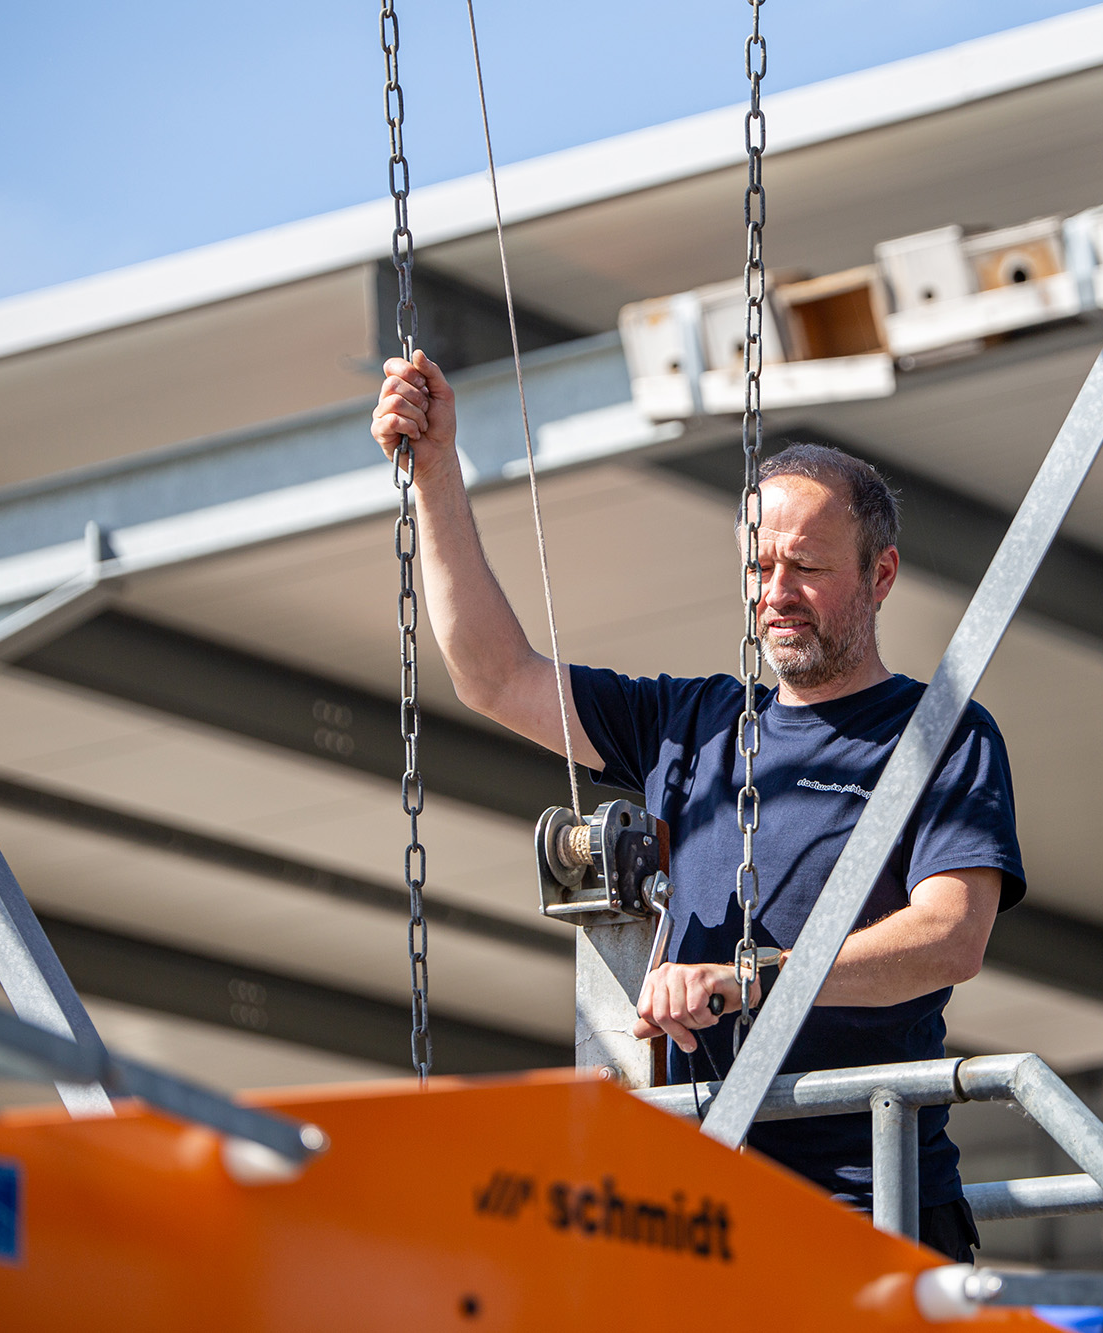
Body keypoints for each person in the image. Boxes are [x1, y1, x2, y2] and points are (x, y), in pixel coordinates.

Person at [370, 349, 1025, 1261]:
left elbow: (951, 934)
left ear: (881, 576)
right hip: (702, 1209)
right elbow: (495, 674)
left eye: (805, 565)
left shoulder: (939, 731)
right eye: (760, 567)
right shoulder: (693, 721)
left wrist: (745, 978)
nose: (776, 594)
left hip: (867, 1210)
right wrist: (435, 475)